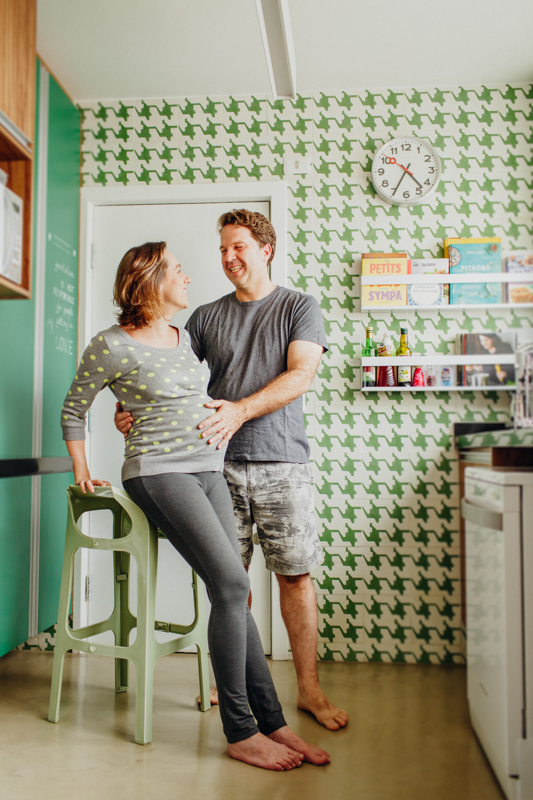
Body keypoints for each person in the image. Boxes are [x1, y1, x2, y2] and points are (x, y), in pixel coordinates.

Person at [60, 241, 329, 770]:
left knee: (234, 588)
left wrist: (139, 407)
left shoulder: (185, 338)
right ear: (151, 281)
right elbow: (75, 407)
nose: (188, 277)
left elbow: (170, 397)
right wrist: (82, 467)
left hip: (207, 470)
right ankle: (240, 730)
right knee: (232, 585)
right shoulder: (110, 344)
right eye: (178, 271)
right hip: (158, 473)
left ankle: (272, 722)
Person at [115, 210, 348, 731]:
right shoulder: (203, 317)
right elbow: (160, 374)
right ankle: (234, 684)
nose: (228, 257)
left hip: (282, 460)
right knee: (228, 581)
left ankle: (308, 689)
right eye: (222, 248)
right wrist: (126, 406)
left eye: (238, 246)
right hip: (210, 465)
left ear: (265, 247)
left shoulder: (298, 307)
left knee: (295, 575)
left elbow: (301, 374)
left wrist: (240, 410)